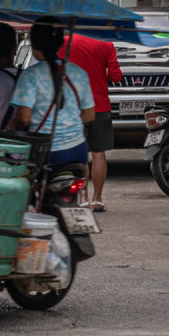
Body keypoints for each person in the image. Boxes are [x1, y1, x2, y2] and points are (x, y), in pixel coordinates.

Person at [9, 16, 95, 168]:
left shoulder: (30, 75)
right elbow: (89, 115)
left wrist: (13, 129)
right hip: (78, 150)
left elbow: (23, 118)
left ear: (33, 44)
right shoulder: (79, 73)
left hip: (46, 153)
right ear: (61, 43)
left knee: (30, 188)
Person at [60, 33, 121, 212]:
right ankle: (98, 200)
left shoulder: (65, 43)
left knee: (80, 156)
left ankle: (83, 197)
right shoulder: (106, 43)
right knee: (99, 154)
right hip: (100, 107)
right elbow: (116, 75)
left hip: (74, 108)